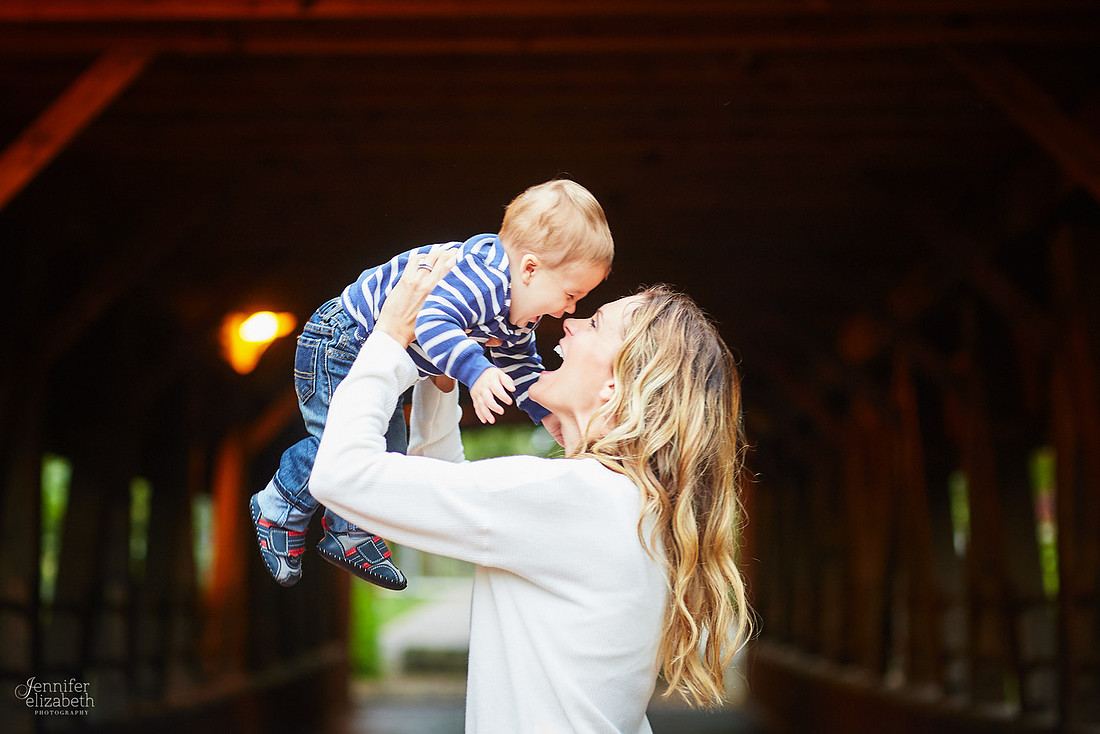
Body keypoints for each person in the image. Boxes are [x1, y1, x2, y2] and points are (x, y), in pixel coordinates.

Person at [310, 249, 753, 731]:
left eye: (597, 324)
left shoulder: (580, 498)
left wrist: (392, 336)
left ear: (617, 385)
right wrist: (442, 374)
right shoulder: (622, 502)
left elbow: (340, 475)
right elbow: (451, 492)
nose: (570, 324)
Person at [250, 179, 614, 590]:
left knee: (387, 448)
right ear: (529, 269)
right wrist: (475, 371)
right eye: (571, 294)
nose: (571, 309)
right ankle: (277, 505)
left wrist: (545, 413)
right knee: (338, 441)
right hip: (341, 340)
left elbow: (521, 363)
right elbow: (433, 321)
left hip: (374, 353)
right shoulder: (482, 279)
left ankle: (349, 532)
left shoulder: (517, 312)